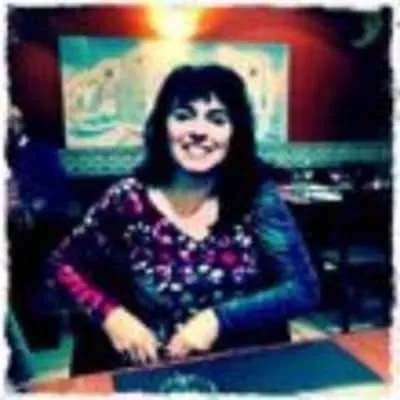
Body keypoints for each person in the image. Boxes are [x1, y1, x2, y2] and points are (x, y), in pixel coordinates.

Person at [45, 64, 320, 375]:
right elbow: (62, 265)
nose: (199, 130)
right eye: (184, 115)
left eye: (217, 119)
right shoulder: (128, 199)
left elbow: (303, 289)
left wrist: (217, 319)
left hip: (242, 369)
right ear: (163, 126)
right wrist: (112, 316)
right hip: (158, 374)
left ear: (235, 133)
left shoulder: (256, 197)